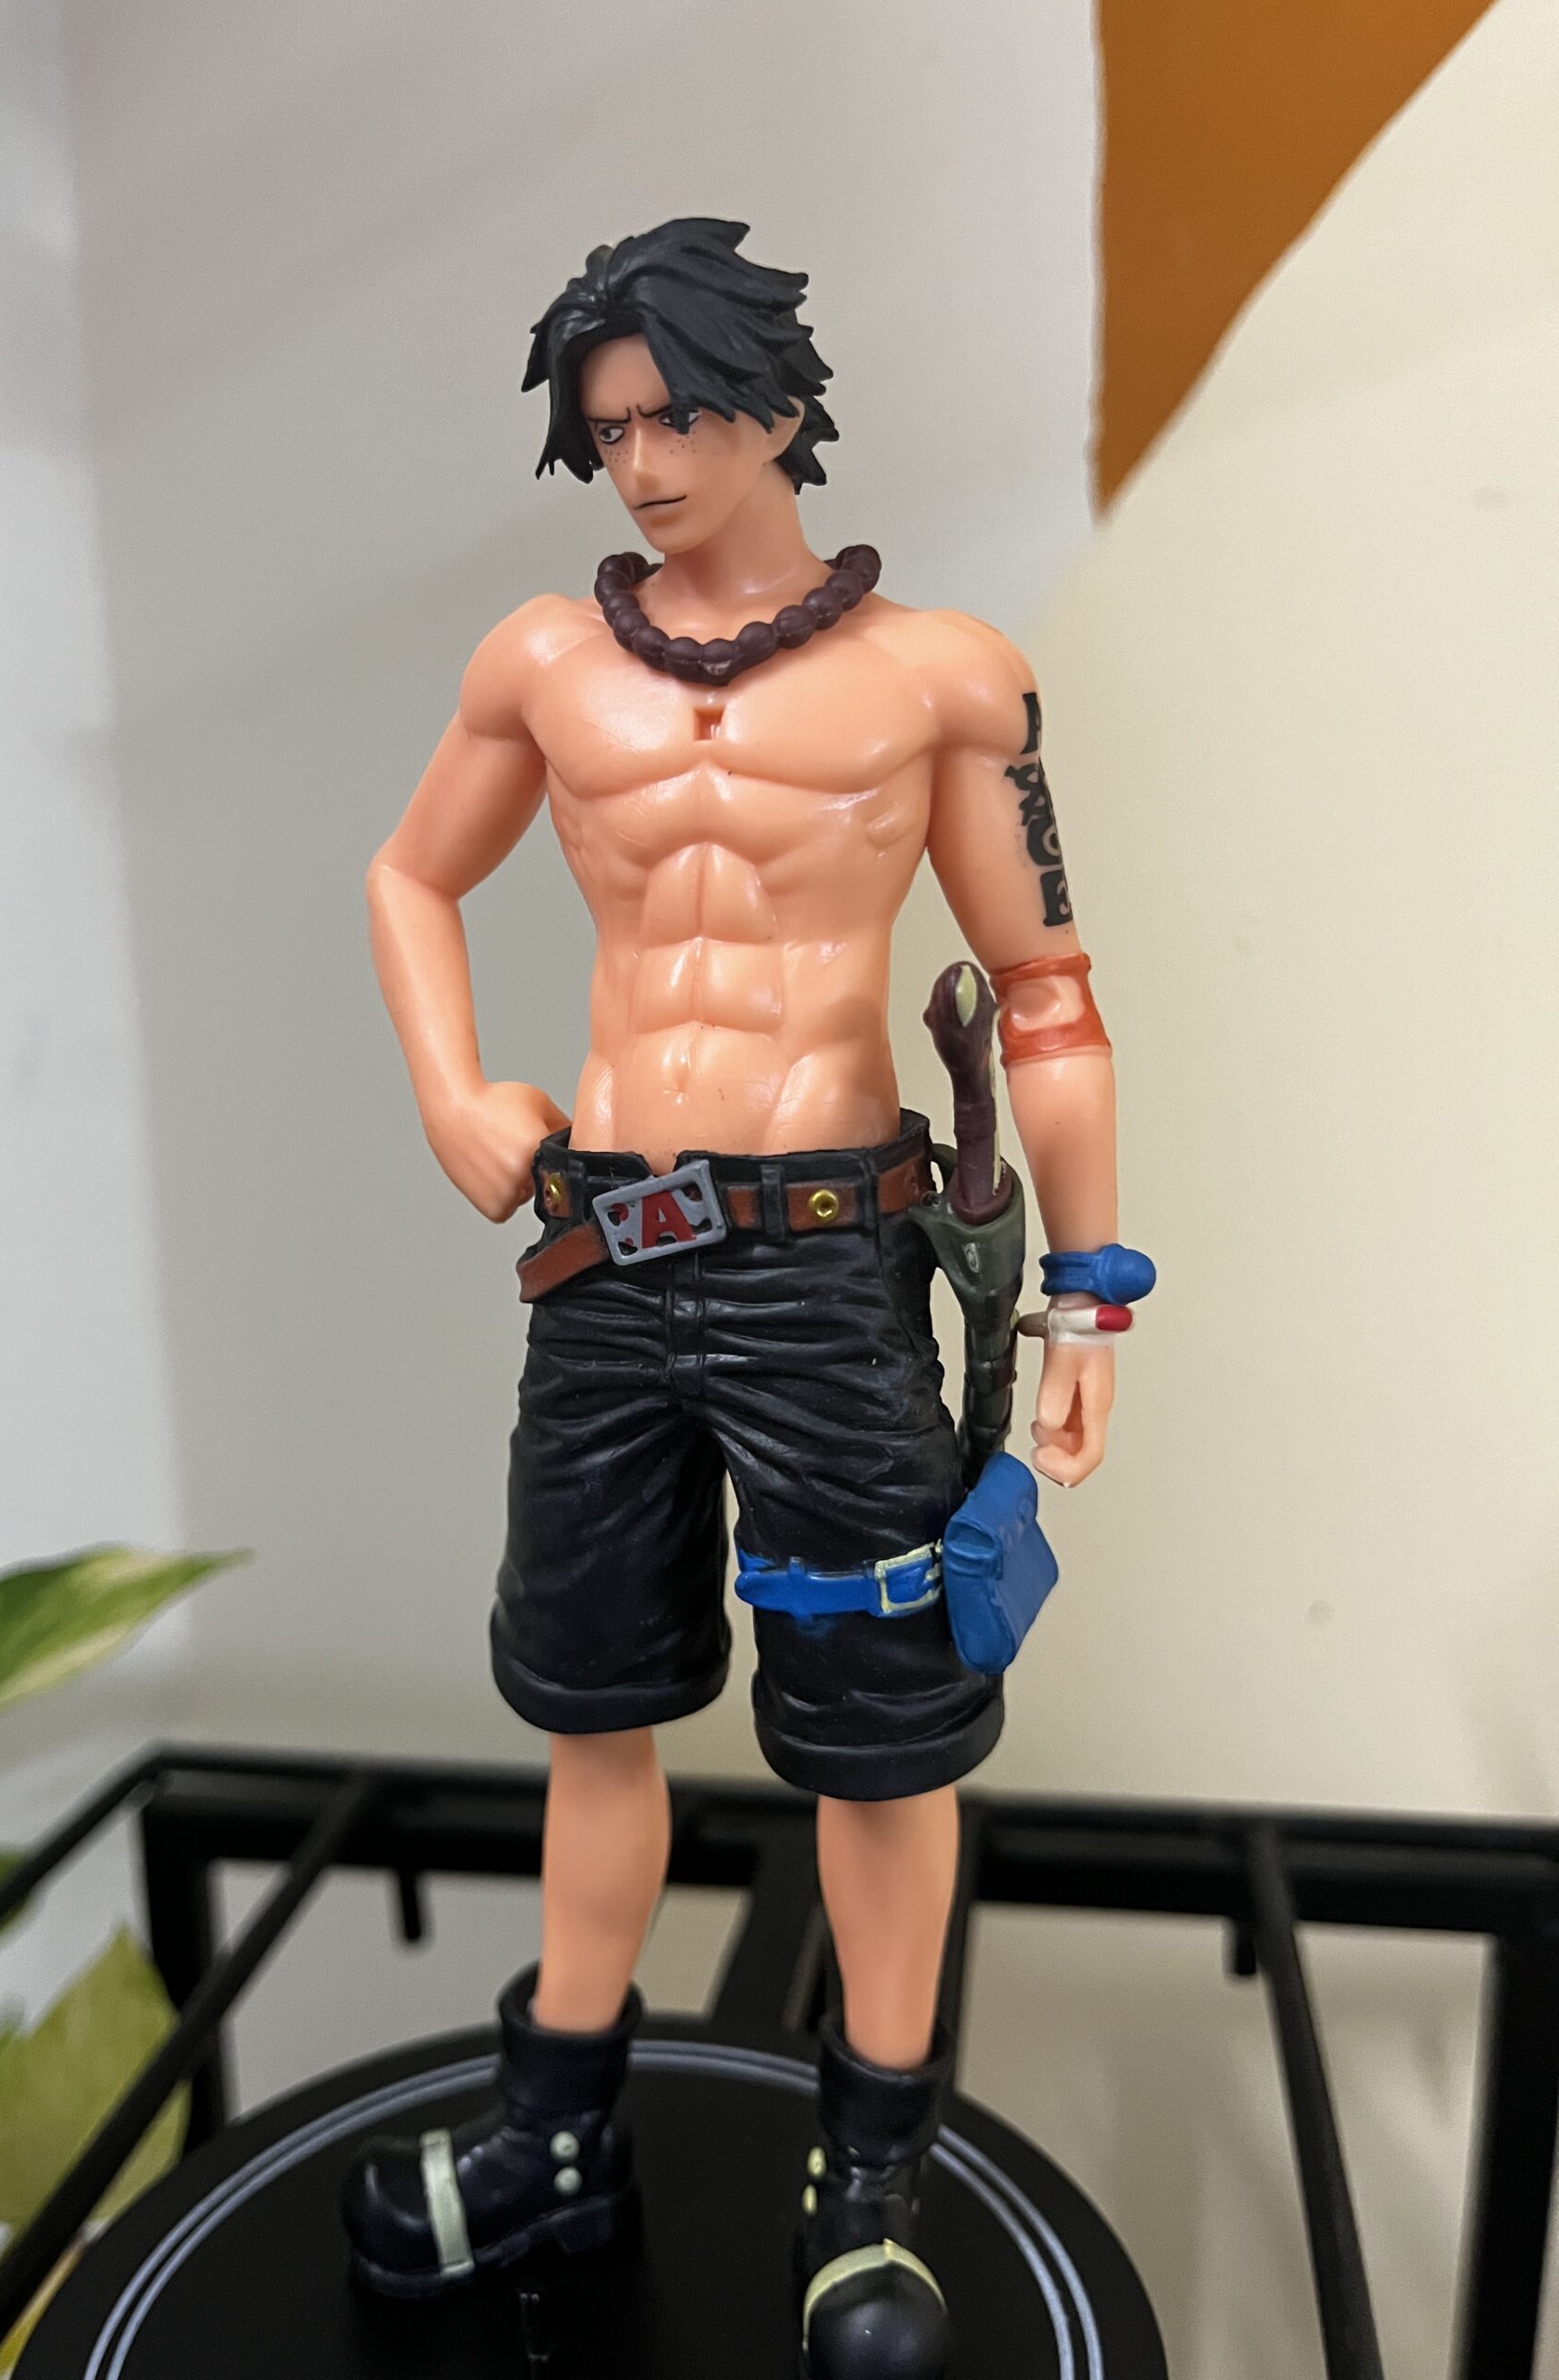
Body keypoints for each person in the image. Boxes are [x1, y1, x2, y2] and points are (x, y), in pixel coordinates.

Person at [343, 218, 1124, 2379]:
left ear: (777, 404)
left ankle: (869, 2184)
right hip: (605, 1257)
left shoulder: (942, 677)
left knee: (882, 1737)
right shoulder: (543, 664)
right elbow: (410, 872)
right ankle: (556, 2128)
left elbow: (1047, 987)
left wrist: (1096, 1292)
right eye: (608, 431)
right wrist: (451, 1089)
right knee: (590, 1704)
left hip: (825, 1267)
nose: (646, 462)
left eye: (678, 413)